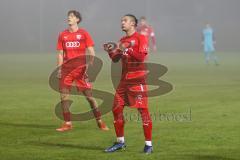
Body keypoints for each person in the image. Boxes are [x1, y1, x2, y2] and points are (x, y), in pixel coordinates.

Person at [103, 14, 153, 154]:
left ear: (133, 23)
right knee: (116, 109)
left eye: (125, 20)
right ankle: (120, 142)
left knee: (143, 111)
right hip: (124, 81)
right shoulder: (122, 40)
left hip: (138, 80)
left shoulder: (140, 38)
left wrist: (129, 49)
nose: (122, 23)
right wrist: (110, 51)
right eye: (121, 20)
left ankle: (148, 145)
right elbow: (116, 59)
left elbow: (141, 57)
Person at [56, 10, 109, 132]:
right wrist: (59, 68)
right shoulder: (62, 34)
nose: (69, 18)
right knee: (64, 97)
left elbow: (91, 51)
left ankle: (100, 121)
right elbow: (60, 53)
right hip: (66, 70)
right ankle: (67, 123)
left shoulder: (84, 34)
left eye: (72, 16)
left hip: (80, 70)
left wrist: (90, 66)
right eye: (68, 16)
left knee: (89, 98)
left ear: (77, 20)